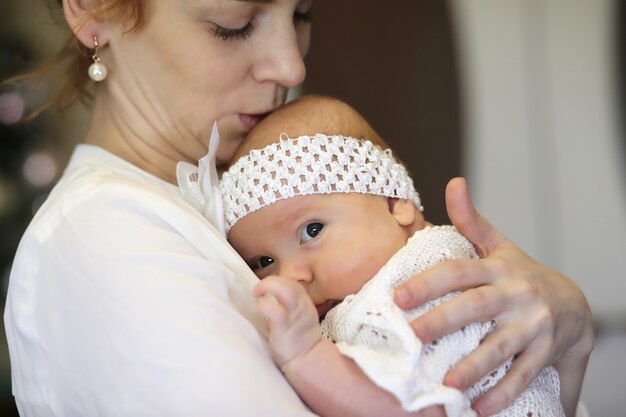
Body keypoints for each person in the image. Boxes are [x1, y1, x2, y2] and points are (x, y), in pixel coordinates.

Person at [2, 1, 592, 416]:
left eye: (301, 14)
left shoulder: (240, 194)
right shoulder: (102, 238)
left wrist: (564, 335)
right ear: (94, 9)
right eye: (233, 24)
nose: (291, 66)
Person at [215, 94, 566, 417]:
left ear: (395, 204)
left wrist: (305, 356)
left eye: (312, 230)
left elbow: (411, 408)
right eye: (263, 262)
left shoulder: (413, 288)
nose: (291, 275)